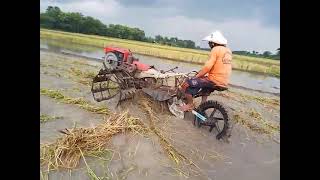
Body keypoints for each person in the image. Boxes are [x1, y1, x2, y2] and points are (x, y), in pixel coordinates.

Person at [179, 30, 232, 112]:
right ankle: (202, 107)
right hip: (224, 82)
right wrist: (202, 74)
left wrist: (196, 76)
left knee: (187, 83)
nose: (209, 44)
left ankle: (190, 104)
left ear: (214, 43)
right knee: (204, 86)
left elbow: (207, 67)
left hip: (214, 80)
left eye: (210, 42)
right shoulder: (228, 51)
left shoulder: (216, 49)